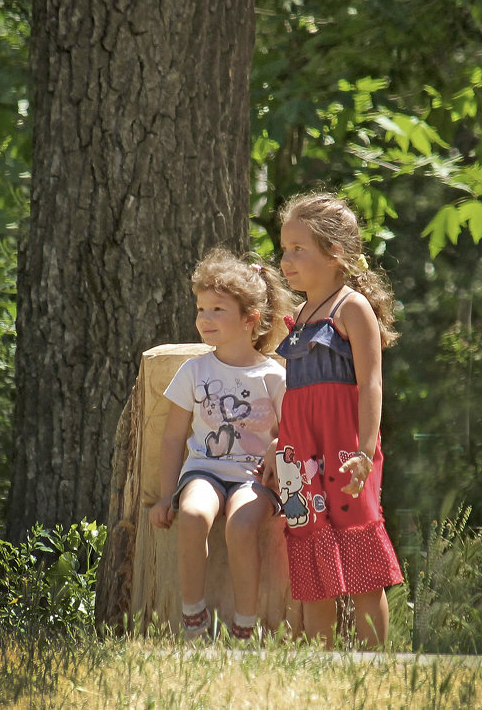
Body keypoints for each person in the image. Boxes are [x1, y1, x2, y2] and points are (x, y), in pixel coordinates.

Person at [268, 192, 404, 649]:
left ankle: (373, 664)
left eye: (298, 249)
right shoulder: (301, 316)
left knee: (362, 563)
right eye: (284, 249)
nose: (286, 259)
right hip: (300, 452)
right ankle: (322, 666)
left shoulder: (351, 309)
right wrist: (278, 448)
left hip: (346, 450)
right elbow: (296, 394)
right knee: (309, 546)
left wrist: (366, 450)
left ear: (335, 253)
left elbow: (371, 385)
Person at [150, 248, 294, 640]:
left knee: (242, 524)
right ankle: (193, 615)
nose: (205, 319)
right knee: (194, 515)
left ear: (250, 319)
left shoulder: (273, 376)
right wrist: (166, 496)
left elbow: (293, 433)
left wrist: (278, 449)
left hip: (254, 479)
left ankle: (246, 625)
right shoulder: (194, 370)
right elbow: (174, 437)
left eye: (217, 310)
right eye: (200, 309)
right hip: (205, 470)